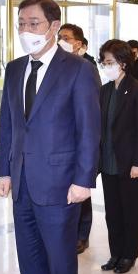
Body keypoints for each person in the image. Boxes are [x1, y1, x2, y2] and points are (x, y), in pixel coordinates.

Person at [0, 0, 100, 274]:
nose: (26, 30)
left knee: (60, 262)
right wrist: (4, 170)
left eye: (34, 23)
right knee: (30, 261)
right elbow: (8, 124)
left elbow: (89, 129)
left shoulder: (78, 70)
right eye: (21, 23)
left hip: (60, 184)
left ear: (54, 26)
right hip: (23, 182)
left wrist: (83, 179)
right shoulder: (14, 69)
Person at [98, 40, 138, 274]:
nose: (106, 66)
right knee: (112, 211)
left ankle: (129, 254)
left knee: (129, 210)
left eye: (110, 62)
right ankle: (115, 253)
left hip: (130, 163)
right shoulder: (105, 91)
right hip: (108, 161)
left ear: (122, 62)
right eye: (104, 62)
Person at [58, 23, 95, 254]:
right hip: (60, 144)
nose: (61, 41)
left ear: (78, 43)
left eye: (66, 37)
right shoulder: (56, 65)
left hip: (78, 142)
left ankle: (82, 235)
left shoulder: (87, 66)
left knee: (82, 192)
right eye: (59, 37)